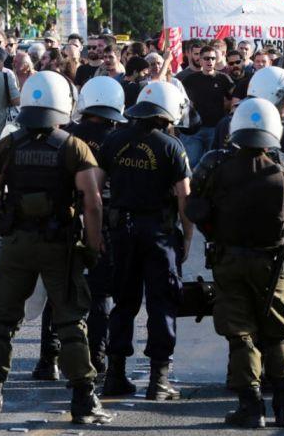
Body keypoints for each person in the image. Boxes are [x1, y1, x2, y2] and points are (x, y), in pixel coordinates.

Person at [0, 71, 111, 425]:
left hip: (17, 244)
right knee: (69, 321)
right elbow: (92, 203)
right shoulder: (73, 146)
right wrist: (93, 246)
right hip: (58, 244)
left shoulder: (8, 144)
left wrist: (4, 228)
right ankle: (84, 397)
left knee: (2, 321)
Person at [187, 97, 284, 428]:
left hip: (228, 259)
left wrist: (214, 235)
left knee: (240, 333)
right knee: (277, 334)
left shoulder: (213, 164)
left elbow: (195, 206)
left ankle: (250, 406)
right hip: (272, 263)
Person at [99, 81, 192, 402]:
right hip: (159, 234)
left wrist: (97, 232)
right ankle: (159, 379)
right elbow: (185, 199)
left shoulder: (113, 140)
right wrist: (188, 239)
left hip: (122, 230)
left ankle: (115, 375)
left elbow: (96, 192)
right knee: (162, 303)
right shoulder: (171, 146)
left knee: (123, 302)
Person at [34, 76, 128, 380]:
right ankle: (97, 358)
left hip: (61, 220)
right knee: (100, 293)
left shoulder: (63, 135)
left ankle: (48, 359)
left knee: (58, 292)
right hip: (102, 222)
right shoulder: (119, 139)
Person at [180, 45, 234, 167]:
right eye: (206, 58)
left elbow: (234, 99)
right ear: (200, 60)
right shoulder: (190, 79)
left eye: (213, 58)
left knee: (213, 165)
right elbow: (181, 101)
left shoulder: (224, 78)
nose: (210, 61)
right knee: (192, 163)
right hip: (194, 130)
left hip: (215, 128)